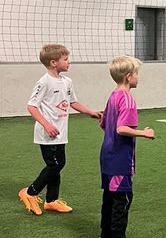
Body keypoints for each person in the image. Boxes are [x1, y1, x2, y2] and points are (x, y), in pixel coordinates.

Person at [18, 44, 101, 216]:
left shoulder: (67, 82)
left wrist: (90, 112)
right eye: (66, 59)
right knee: (56, 164)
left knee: (57, 165)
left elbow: (73, 102)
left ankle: (51, 201)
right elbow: (32, 106)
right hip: (47, 134)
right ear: (54, 62)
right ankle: (30, 193)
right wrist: (46, 125)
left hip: (61, 132)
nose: (69, 62)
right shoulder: (44, 82)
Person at [99, 56, 155, 238]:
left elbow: (103, 124)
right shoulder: (128, 100)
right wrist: (144, 133)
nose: (138, 77)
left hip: (107, 157)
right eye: (137, 74)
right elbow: (121, 129)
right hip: (120, 161)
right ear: (128, 76)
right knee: (121, 202)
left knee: (108, 199)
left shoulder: (112, 96)